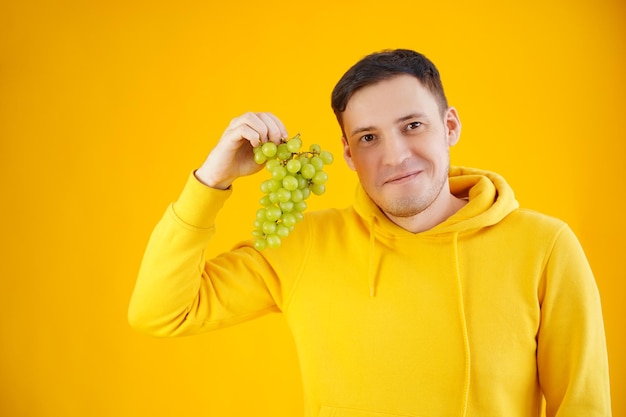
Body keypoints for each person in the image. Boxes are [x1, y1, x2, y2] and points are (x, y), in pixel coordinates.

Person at [128, 49, 612, 416]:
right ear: (347, 155)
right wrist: (212, 180)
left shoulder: (545, 246)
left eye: (413, 125)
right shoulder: (305, 245)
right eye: (368, 138)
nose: (395, 156)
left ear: (450, 125)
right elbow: (161, 311)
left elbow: (583, 404)